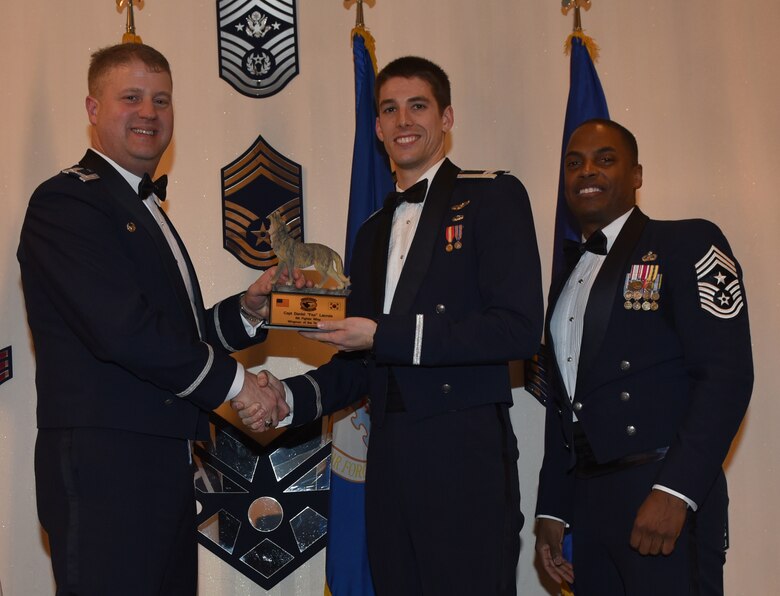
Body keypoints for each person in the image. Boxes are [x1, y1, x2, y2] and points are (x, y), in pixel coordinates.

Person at [239, 56, 544, 595]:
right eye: (389, 109)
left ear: (447, 117)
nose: (403, 121)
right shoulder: (373, 231)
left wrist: (384, 335)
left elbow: (517, 330)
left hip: (464, 460)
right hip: (389, 466)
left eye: (418, 106)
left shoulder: (494, 197)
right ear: (377, 128)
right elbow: (361, 364)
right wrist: (287, 395)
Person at [17, 43, 295, 595]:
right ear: (93, 109)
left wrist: (248, 310)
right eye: (131, 97)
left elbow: (177, 337)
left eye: (161, 100)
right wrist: (240, 387)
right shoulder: (67, 203)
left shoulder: (140, 209)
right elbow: (125, 332)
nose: (149, 112)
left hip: (159, 463)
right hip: (105, 466)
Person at [534, 119, 753, 595]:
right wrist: (552, 507)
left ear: (636, 174)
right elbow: (564, 402)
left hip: (661, 491)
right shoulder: (567, 277)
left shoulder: (686, 242)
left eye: (605, 159)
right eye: (574, 163)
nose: (587, 171)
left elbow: (726, 375)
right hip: (590, 503)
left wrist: (677, 491)